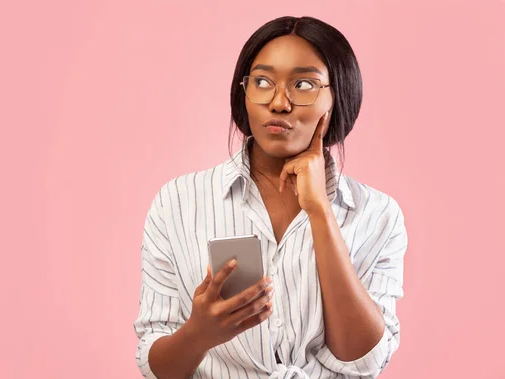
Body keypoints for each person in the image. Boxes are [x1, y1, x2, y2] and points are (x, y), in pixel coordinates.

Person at [133, 15, 408, 379]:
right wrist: (198, 334)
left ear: (337, 96)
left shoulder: (379, 215)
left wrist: (320, 211)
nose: (279, 103)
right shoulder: (177, 203)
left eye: (304, 84)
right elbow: (154, 367)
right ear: (242, 93)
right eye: (262, 82)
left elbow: (365, 361)